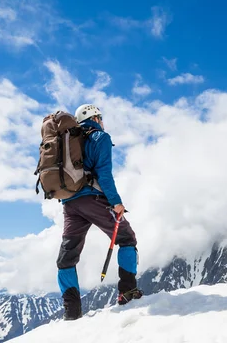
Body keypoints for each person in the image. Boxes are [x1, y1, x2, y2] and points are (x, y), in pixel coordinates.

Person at [56, 104, 142, 321]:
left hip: (69, 203)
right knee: (126, 238)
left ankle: (72, 312)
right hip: (93, 199)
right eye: (100, 117)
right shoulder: (99, 137)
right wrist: (116, 202)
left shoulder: (66, 139)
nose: (102, 121)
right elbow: (104, 174)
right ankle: (128, 292)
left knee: (67, 257)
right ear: (94, 117)